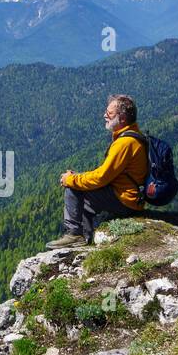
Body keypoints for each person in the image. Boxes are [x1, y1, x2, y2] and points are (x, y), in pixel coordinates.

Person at [47, 94, 146, 248]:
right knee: (83, 198)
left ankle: (74, 235)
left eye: (110, 113)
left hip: (125, 199)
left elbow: (101, 177)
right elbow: (105, 174)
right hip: (129, 196)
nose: (104, 115)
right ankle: (85, 240)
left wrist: (71, 180)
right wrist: (79, 177)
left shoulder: (125, 143)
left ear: (122, 118)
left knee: (74, 187)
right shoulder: (133, 136)